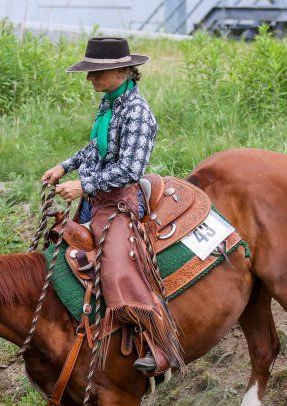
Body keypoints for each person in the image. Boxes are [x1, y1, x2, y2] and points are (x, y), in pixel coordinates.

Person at [42, 37, 184, 375]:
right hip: (95, 200)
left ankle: (159, 346)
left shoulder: (137, 113)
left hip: (120, 203)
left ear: (121, 71)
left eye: (96, 73)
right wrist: (66, 166)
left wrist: (83, 185)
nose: (90, 79)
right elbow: (96, 148)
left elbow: (131, 170)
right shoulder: (111, 104)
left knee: (118, 270)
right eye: (90, 73)